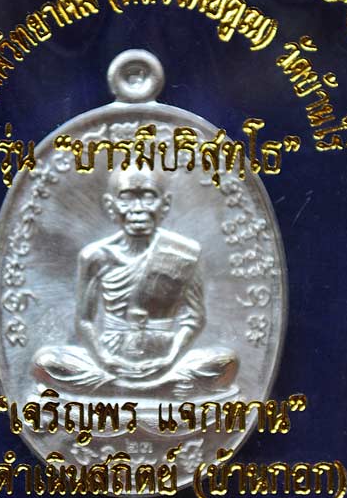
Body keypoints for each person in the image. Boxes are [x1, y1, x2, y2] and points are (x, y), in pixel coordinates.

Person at [33, 167, 238, 397]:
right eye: (127, 198)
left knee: (225, 362)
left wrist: (170, 359)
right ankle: (157, 390)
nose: (138, 209)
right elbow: (84, 321)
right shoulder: (95, 256)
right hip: (109, 361)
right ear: (111, 206)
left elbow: (195, 318)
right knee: (45, 363)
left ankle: (123, 390)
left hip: (166, 359)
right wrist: (104, 360)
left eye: (148, 197)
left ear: (165, 204)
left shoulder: (185, 253)